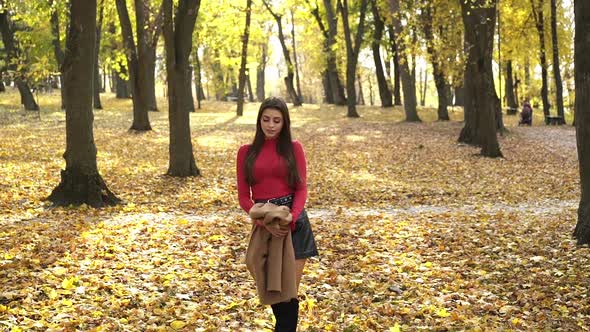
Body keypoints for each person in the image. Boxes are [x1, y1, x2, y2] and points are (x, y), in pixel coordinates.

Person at [236, 97, 319, 331]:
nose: (270, 125)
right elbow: (244, 196)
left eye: (276, 120)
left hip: (294, 224)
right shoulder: (246, 152)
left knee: (288, 297)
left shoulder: (294, 148)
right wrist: (263, 221)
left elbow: (301, 188)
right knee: (274, 294)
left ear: (284, 123)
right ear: (259, 120)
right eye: (266, 119)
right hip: (264, 224)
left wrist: (292, 216)